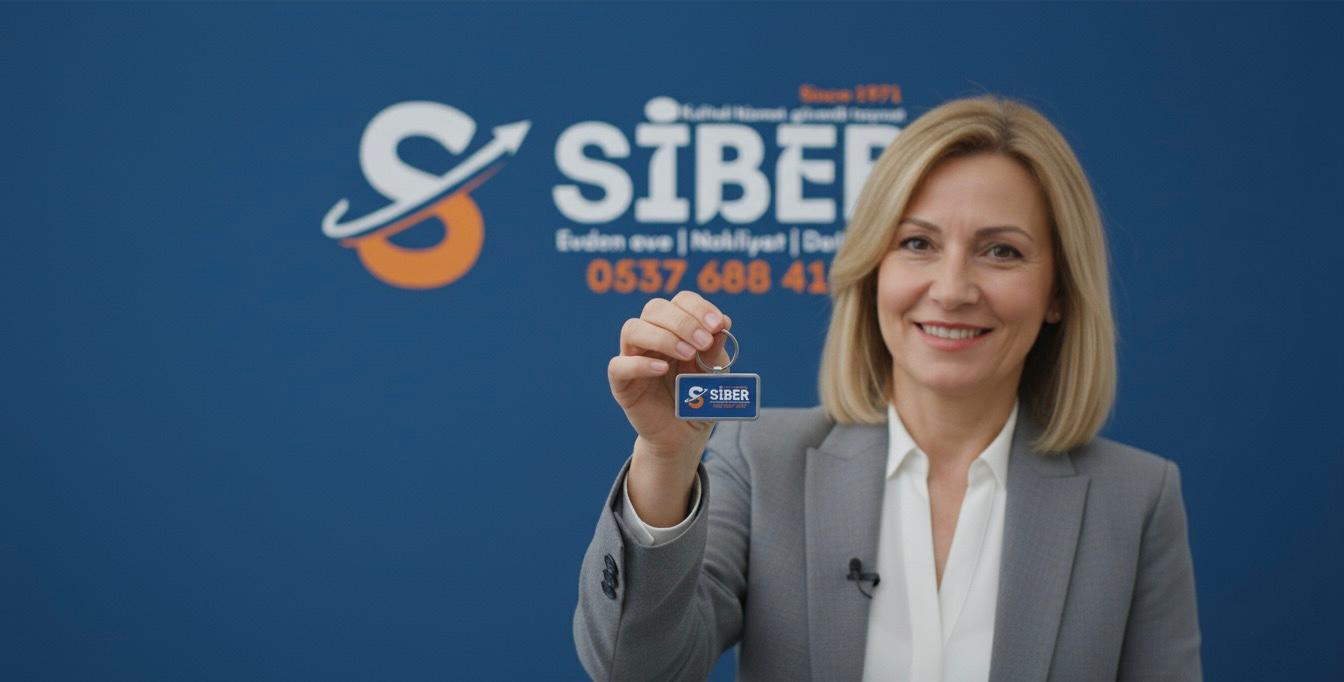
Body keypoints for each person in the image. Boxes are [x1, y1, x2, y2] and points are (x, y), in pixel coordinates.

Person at [573, 95, 1201, 681]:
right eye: (917, 243)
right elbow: (634, 668)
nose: (951, 290)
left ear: (1059, 291)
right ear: (874, 269)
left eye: (1001, 252)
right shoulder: (762, 461)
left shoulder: (1138, 499)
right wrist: (665, 459)